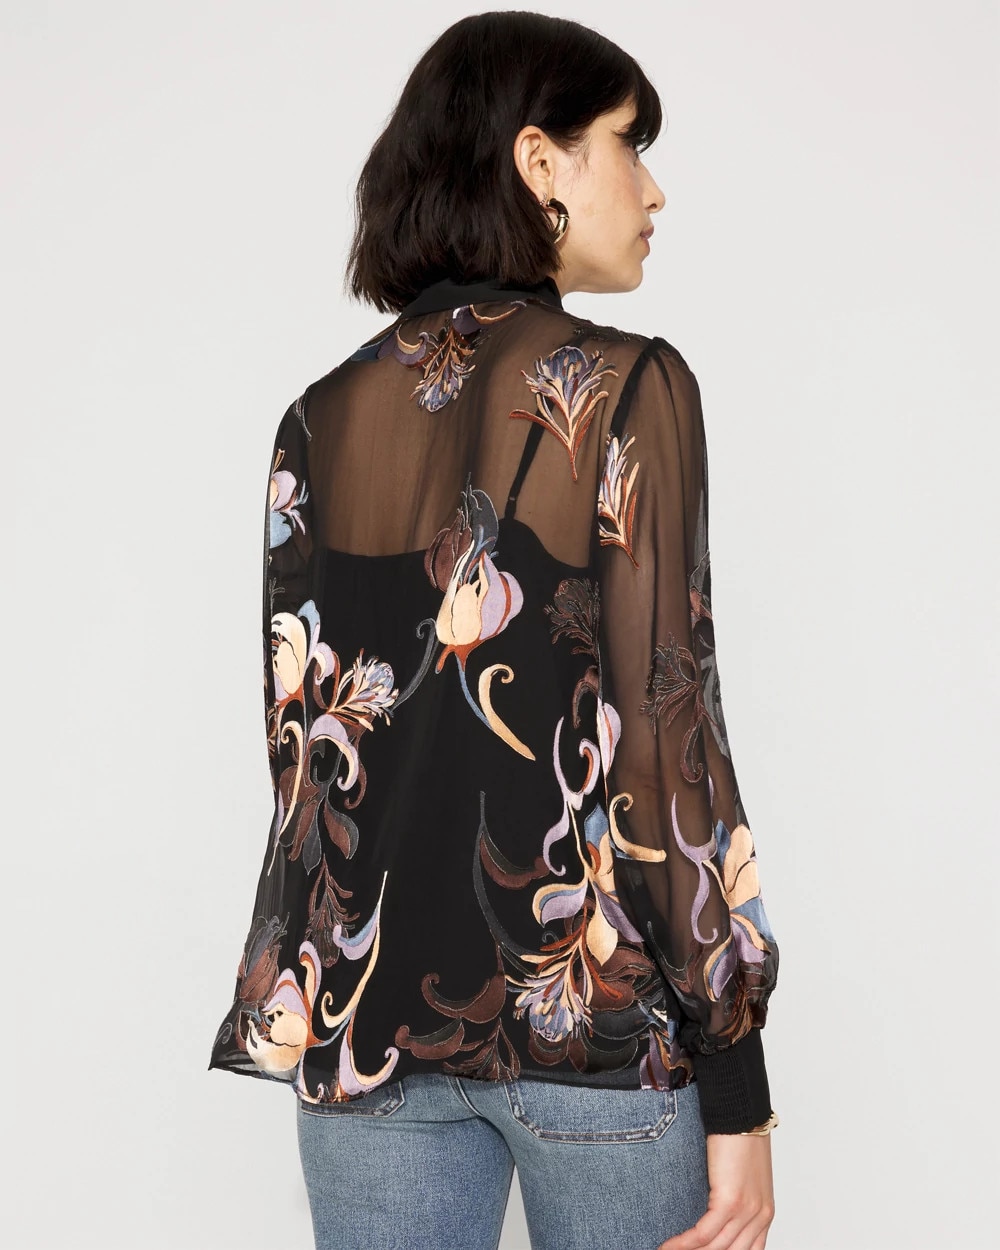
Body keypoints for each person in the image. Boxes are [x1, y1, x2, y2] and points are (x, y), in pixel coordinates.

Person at [207, 11, 781, 1250]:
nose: (654, 190)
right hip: (593, 1036)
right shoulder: (628, 387)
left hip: (362, 1038)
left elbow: (302, 757)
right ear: (539, 161)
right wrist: (737, 1077)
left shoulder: (316, 417)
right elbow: (665, 742)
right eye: (628, 144)